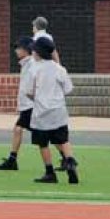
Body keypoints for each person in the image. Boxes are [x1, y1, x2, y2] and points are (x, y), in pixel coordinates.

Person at [28, 35, 78, 184]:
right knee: (63, 140)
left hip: (41, 112)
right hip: (58, 111)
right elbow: (68, 89)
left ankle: (49, 172)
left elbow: (30, 92)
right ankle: (70, 162)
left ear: (38, 53)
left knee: (43, 143)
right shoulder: (59, 69)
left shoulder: (35, 69)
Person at [0, 36, 36, 171]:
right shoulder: (26, 64)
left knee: (40, 133)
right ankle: (12, 160)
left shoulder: (32, 64)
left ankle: (67, 157)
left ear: (26, 50)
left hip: (32, 105)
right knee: (19, 129)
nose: (16, 51)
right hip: (28, 105)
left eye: (19, 48)